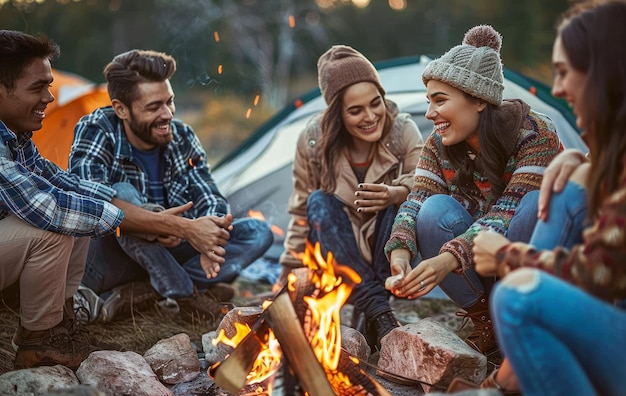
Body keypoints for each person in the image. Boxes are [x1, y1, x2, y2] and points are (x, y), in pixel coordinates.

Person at [0, 30, 228, 370]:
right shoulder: (97, 127)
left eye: (49, 85)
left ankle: (62, 328)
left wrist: (186, 226)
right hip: (116, 250)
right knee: (58, 223)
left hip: (163, 243)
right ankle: (42, 340)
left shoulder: (16, 138)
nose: (49, 97)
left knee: (253, 234)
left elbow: (65, 183)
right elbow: (47, 209)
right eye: (38, 87)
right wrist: (150, 222)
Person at [472, 2, 626, 396]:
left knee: (517, 297)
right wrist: (584, 161)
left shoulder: (533, 129)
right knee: (568, 189)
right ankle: (517, 374)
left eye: (562, 72)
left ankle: (513, 376)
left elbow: (596, 275)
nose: (556, 88)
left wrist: (504, 256)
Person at [384, 25, 563, 356]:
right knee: (432, 210)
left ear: (478, 100)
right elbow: (416, 200)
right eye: (428, 101)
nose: (429, 113)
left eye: (440, 100)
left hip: (530, 261)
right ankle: (490, 323)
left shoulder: (536, 135)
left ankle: (523, 319)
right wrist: (400, 254)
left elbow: (508, 213)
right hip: (477, 259)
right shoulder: (440, 144)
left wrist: (446, 260)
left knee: (535, 205)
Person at [68, 50, 273, 322]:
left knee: (257, 232)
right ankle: (186, 294)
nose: (168, 115)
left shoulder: (183, 135)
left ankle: (146, 292)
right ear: (121, 109)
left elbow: (209, 194)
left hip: (170, 252)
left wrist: (208, 238)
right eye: (154, 107)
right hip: (108, 259)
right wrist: (172, 226)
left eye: (170, 102)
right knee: (122, 195)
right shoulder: (97, 128)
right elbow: (93, 204)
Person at [278, 45, 424, 350]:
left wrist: (395, 193)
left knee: (404, 203)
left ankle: (371, 309)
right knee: (319, 200)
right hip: (336, 246)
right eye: (356, 110)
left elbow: (427, 186)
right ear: (337, 114)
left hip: (391, 246)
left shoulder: (403, 131)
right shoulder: (314, 141)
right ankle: (380, 315)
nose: (371, 117)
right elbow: (302, 209)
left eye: (376, 103)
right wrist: (289, 270)